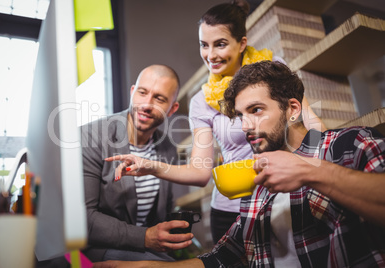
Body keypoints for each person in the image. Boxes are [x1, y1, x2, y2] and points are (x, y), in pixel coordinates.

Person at [93, 60, 385, 268]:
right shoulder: (258, 184)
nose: (246, 126)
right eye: (240, 116)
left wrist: (310, 171)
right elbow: (225, 256)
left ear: (293, 109)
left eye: (256, 110)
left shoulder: (349, 145)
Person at [105, 0, 325, 245]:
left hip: (283, 195)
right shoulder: (201, 101)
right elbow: (200, 171)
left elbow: (312, 124)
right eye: (204, 45)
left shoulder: (274, 71)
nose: (210, 55)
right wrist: (150, 166)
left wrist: (312, 166)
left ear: (242, 43)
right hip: (231, 211)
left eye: (220, 44)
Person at [80, 64, 194, 262]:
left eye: (159, 98)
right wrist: (145, 238)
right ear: (133, 92)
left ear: (172, 109)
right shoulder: (90, 137)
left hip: (143, 252)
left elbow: (161, 214)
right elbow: (84, 218)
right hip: (94, 251)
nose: (147, 104)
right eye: (143, 93)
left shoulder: (167, 148)